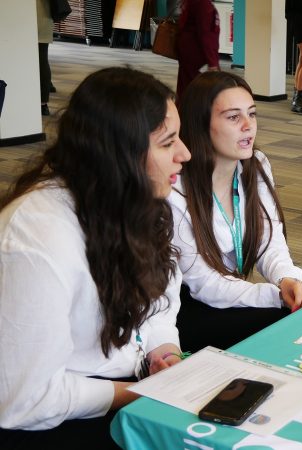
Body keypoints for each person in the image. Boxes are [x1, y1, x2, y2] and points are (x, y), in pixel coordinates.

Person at [0, 67, 189, 447]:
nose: (185, 153)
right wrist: (134, 395)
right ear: (121, 155)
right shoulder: (35, 240)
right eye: (168, 142)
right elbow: (23, 401)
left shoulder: (133, 197)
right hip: (51, 421)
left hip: (122, 384)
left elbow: (161, 299)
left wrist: (161, 350)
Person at [170, 71, 302, 352]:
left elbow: (270, 241)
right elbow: (205, 284)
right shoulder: (175, 186)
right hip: (186, 309)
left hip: (232, 294)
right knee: (283, 321)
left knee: (296, 317)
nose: (248, 126)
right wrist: (277, 295)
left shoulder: (255, 165)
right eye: (233, 117)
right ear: (201, 124)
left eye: (252, 114)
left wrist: (287, 279)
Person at [176, 0, 220, 102]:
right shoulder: (203, 3)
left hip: (188, 52)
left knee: (185, 86)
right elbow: (206, 35)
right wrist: (213, 62)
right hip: (197, 55)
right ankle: (189, 114)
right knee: (196, 89)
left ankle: (181, 111)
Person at [36, 0, 53, 116]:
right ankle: (43, 103)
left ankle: (42, 102)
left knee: (41, 61)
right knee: (42, 59)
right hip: (44, 16)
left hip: (30, 13)